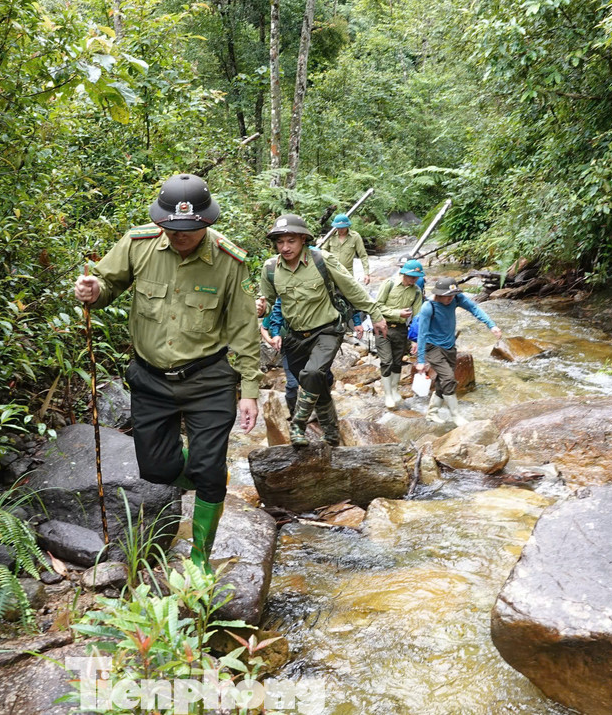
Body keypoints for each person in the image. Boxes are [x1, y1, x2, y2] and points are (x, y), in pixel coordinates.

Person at [73, 173, 261, 575]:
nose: (179, 235)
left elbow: (244, 330)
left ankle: (200, 560)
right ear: (160, 221)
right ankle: (204, 467)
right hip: (151, 378)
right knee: (156, 470)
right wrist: (92, 292)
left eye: (190, 229)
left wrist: (250, 390)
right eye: (172, 228)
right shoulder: (137, 244)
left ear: (206, 223)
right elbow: (106, 284)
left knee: (208, 473)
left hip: (209, 379)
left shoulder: (231, 262)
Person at [257, 214, 386, 447]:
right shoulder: (270, 269)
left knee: (313, 374)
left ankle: (297, 424)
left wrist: (375, 314)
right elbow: (269, 304)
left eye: (291, 241)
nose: (285, 247)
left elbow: (352, 289)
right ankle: (331, 433)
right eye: (280, 242)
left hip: (326, 330)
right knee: (314, 385)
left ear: (304, 239)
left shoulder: (322, 260)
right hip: (295, 336)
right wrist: (261, 314)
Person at [414, 276, 502, 425]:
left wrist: (491, 325)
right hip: (432, 346)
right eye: (447, 296)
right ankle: (456, 415)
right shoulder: (428, 307)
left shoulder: (456, 298)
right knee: (449, 378)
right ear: (439, 294)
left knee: (443, 380)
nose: (450, 299)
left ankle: (432, 412)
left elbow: (474, 308)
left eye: (452, 295)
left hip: (449, 346)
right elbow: (421, 334)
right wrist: (420, 360)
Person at [372, 259, 426, 409]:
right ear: (403, 273)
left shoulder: (416, 291)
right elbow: (377, 306)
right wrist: (397, 313)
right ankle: (388, 394)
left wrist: (415, 340)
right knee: (386, 361)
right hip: (383, 327)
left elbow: (417, 316)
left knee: (397, 362)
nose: (415, 279)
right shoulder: (389, 284)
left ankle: (395, 390)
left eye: (417, 277)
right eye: (412, 276)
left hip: (402, 330)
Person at [260, 298, 300, 413]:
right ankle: (293, 413)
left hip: (306, 347)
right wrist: (270, 340)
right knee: (292, 383)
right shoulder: (276, 308)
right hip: (287, 349)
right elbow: (264, 327)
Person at [323, 213, 371, 284]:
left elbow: (363, 256)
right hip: (332, 271)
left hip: (347, 273)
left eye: (342, 227)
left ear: (347, 226)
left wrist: (366, 274)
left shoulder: (355, 237)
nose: (340, 230)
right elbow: (323, 251)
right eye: (338, 227)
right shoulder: (330, 236)